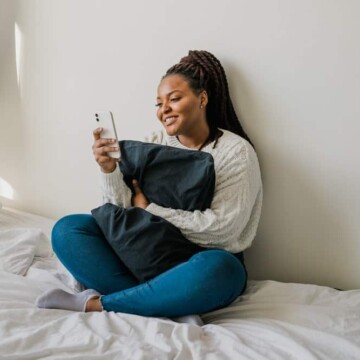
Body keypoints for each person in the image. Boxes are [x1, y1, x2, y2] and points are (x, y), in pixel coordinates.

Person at [36, 50, 262, 321]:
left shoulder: (235, 151)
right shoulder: (154, 142)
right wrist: (109, 170)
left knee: (222, 268)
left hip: (197, 263)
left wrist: (150, 209)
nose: (163, 109)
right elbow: (120, 212)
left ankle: (100, 304)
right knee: (68, 230)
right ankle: (166, 302)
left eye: (174, 99)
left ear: (202, 98)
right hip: (143, 253)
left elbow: (223, 232)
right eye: (158, 103)